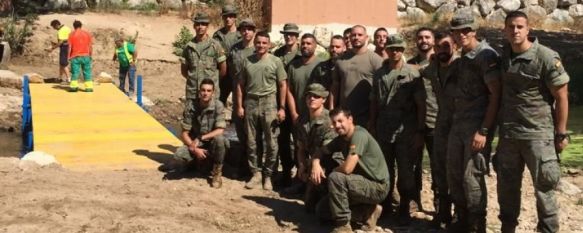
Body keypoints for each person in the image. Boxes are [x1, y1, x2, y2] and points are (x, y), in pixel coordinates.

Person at [496, 11, 569, 233]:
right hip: (509, 137)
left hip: (538, 136)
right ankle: (507, 229)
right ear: (505, 30)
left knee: (544, 190)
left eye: (519, 26)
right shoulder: (504, 56)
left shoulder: (546, 57)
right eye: (511, 26)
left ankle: (547, 229)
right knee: (506, 190)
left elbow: (562, 96)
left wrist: (561, 133)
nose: (515, 30)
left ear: (528, 30)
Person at [447, 12, 501, 232]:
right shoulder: (462, 58)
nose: (462, 35)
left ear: (474, 31)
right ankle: (461, 219)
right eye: (457, 31)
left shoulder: (485, 55)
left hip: (476, 127)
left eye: (466, 30)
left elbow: (495, 96)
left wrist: (484, 131)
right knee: (454, 174)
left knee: (472, 177)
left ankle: (477, 225)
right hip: (458, 124)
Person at [368, 34, 426, 225]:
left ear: (403, 50)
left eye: (399, 49)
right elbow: (375, 101)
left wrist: (419, 131)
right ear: (387, 49)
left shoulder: (412, 73)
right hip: (384, 128)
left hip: (405, 130)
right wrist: (372, 124)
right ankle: (386, 205)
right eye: (392, 48)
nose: (395, 52)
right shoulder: (379, 73)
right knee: (385, 170)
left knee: (406, 171)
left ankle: (404, 207)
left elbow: (420, 104)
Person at [311, 108, 388, 233]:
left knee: (335, 177)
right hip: (358, 183)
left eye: (340, 121)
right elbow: (320, 151)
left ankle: (343, 226)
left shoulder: (359, 135)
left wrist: (332, 172)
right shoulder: (341, 139)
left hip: (377, 187)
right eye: (334, 122)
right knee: (322, 210)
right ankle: (368, 213)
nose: (337, 125)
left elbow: (347, 169)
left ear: (350, 119)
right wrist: (315, 163)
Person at [236, 31, 288, 191]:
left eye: (264, 43)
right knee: (252, 142)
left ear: (269, 44)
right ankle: (256, 173)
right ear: (255, 43)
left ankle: (268, 175)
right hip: (250, 102)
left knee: (272, 143)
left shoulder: (276, 61)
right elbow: (240, 85)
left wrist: (282, 107)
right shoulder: (247, 61)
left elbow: (282, 85)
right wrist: (239, 106)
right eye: (258, 42)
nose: (261, 45)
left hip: (269, 102)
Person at [421, 31, 459, 228]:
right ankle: (442, 214)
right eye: (439, 47)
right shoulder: (433, 67)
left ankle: (462, 218)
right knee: (439, 170)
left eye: (446, 46)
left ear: (455, 46)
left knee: (458, 172)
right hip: (441, 124)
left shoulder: (462, 66)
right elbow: (418, 70)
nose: (443, 50)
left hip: (461, 125)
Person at [170, 79, 227, 188]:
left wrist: (201, 138)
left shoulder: (218, 105)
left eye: (209, 91)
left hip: (211, 144)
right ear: (199, 92)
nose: (206, 93)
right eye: (203, 90)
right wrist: (195, 150)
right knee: (178, 157)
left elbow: (220, 130)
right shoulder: (191, 107)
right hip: (196, 145)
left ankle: (217, 173)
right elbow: (184, 133)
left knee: (220, 140)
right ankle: (195, 164)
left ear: (213, 92)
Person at [294, 83, 337, 211]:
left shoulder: (330, 121)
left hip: (332, 164)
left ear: (323, 99)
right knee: (309, 208)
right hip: (314, 162)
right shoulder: (303, 120)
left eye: (316, 96)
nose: (311, 99)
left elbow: (326, 151)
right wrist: (301, 166)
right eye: (309, 96)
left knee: (322, 210)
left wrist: (314, 165)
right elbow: (301, 148)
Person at [407, 27, 437, 212]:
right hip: (414, 123)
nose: (423, 40)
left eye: (427, 37)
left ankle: (440, 205)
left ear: (433, 40)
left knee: (438, 165)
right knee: (413, 164)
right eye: (420, 38)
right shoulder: (409, 64)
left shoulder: (441, 61)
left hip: (437, 121)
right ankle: (412, 200)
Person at [331, 25, 383, 127]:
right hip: (344, 117)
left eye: (360, 35)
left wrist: (374, 119)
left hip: (366, 117)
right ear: (349, 38)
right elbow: (334, 87)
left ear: (366, 37)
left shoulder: (375, 60)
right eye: (353, 35)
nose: (356, 37)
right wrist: (332, 111)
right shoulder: (341, 60)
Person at [229, 18, 259, 176]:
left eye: (249, 29)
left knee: (254, 136)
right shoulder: (235, 50)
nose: (246, 32)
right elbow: (228, 72)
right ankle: (243, 167)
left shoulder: (259, 49)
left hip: (254, 99)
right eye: (244, 29)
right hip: (237, 98)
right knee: (241, 133)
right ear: (240, 31)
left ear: (254, 31)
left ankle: (254, 168)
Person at [273, 23, 301, 187]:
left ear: (297, 36)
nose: (289, 37)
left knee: (299, 142)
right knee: (282, 140)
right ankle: (285, 173)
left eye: (292, 34)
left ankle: (299, 172)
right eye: (286, 34)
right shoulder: (278, 54)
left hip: (297, 105)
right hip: (280, 103)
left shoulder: (302, 54)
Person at [181, 12, 227, 100]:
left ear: (207, 26)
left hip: (210, 93)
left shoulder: (215, 45)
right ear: (194, 26)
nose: (200, 27)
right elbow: (184, 71)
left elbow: (223, 70)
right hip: (193, 92)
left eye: (203, 24)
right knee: (191, 113)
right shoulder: (189, 47)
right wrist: (194, 79)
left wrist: (213, 80)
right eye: (198, 24)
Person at [213, 4, 241, 103]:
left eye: (230, 16)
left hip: (238, 74)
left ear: (235, 18)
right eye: (225, 17)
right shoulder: (218, 35)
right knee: (218, 101)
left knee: (239, 102)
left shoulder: (241, 35)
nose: (228, 19)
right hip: (222, 74)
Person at [317, 35, 346, 109]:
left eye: (337, 47)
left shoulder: (348, 67)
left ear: (344, 48)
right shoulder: (322, 67)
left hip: (343, 109)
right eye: (332, 46)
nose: (334, 49)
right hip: (324, 108)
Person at [67, 20, 93, 92]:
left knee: (75, 72)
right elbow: (90, 46)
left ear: (74, 26)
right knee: (87, 71)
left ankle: (74, 87)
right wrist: (90, 55)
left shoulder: (71, 34)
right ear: (81, 26)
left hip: (75, 56)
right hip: (86, 55)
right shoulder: (87, 34)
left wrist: (68, 56)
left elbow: (69, 47)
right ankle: (89, 87)